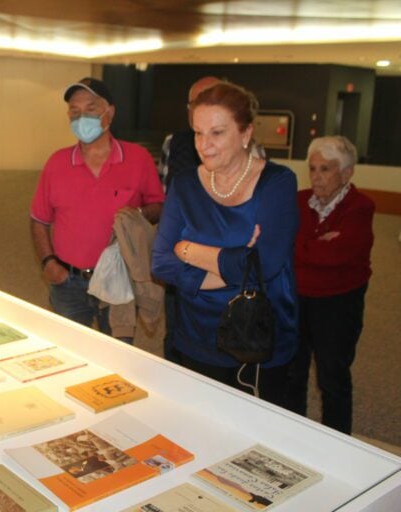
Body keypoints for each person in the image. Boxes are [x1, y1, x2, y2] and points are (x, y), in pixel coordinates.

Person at [151, 81, 299, 407]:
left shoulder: (277, 183)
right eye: (198, 133)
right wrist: (237, 262)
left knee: (259, 431)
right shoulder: (185, 184)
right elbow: (160, 262)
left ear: (246, 133)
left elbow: (266, 265)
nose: (204, 145)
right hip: (196, 336)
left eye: (217, 133)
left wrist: (187, 250)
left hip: (258, 339)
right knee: (200, 425)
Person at [30, 77, 165, 336]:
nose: (81, 118)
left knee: (117, 352)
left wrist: (136, 214)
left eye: (91, 109)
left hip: (120, 280)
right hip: (68, 282)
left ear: (109, 113)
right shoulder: (56, 163)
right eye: (74, 111)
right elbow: (39, 219)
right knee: (69, 350)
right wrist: (48, 264)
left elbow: (158, 206)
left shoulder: (138, 159)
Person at [287, 136, 374, 435]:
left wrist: (300, 245)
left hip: (338, 303)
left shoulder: (360, 207)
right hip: (298, 298)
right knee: (293, 373)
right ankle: (292, 436)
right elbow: (282, 243)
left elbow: (336, 256)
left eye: (325, 169)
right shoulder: (299, 201)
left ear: (346, 173)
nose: (316, 176)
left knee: (332, 377)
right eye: (312, 168)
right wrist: (315, 245)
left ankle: (337, 441)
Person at [158, 76, 221, 363]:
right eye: (195, 102)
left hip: (223, 267)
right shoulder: (173, 144)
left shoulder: (247, 150)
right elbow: (164, 201)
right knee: (176, 338)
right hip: (180, 263)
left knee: (224, 342)